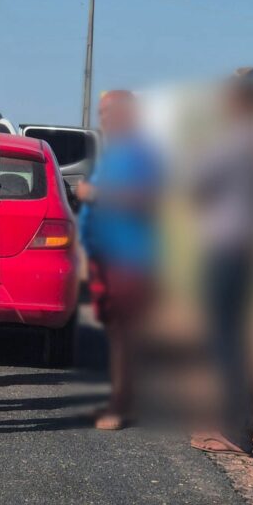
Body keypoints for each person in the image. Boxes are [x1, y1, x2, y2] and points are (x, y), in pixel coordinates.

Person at [189, 67, 253, 455]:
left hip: (227, 247)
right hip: (250, 246)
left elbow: (196, 182)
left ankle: (233, 431)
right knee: (233, 338)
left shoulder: (234, 137)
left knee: (225, 339)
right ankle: (233, 425)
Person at [77, 90, 162, 431]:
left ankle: (122, 405)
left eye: (109, 112)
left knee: (125, 334)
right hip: (108, 257)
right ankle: (121, 401)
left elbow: (148, 198)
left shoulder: (141, 153)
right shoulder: (115, 153)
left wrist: (94, 193)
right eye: (101, 112)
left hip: (130, 257)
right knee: (117, 333)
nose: (104, 119)